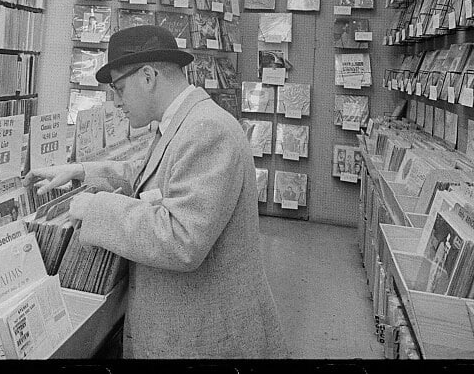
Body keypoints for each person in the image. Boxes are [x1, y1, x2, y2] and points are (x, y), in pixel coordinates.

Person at [25, 25, 286, 359]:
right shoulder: (185, 122)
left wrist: (93, 208)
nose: (116, 102)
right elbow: (154, 175)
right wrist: (80, 170)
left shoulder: (207, 130)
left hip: (205, 341)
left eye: (119, 88)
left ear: (147, 76)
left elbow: (182, 239)